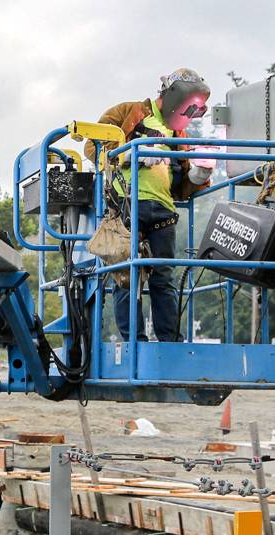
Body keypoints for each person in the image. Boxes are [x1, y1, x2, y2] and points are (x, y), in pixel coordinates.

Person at [86, 67, 214, 342]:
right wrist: (132, 155)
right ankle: (135, 342)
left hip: (163, 209)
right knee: (126, 275)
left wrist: (198, 175)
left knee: (163, 276)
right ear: (172, 97)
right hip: (126, 205)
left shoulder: (177, 134)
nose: (187, 115)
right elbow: (92, 148)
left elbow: (183, 183)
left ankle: (169, 341)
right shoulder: (126, 113)